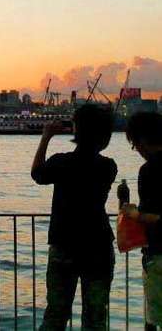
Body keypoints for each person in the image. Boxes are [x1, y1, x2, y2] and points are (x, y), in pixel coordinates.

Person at [31, 105, 117, 330]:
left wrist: (46, 137)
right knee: (95, 316)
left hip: (64, 243)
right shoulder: (108, 166)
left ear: (77, 130)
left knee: (56, 315)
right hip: (98, 245)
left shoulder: (61, 162)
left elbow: (37, 173)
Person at [122, 111, 162, 330]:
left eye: (134, 145)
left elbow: (152, 217)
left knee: (155, 318)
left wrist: (134, 214)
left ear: (142, 141)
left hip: (158, 254)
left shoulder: (149, 170)